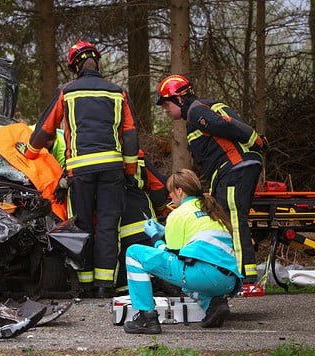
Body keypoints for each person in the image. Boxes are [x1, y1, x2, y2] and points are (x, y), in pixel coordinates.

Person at [18, 40, 139, 298]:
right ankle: (104, 285)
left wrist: (28, 153)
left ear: (75, 67)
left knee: (82, 224)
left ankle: (84, 284)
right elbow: (130, 136)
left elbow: (45, 130)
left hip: (80, 171)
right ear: (98, 63)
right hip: (112, 168)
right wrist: (129, 172)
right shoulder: (118, 93)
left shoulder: (67, 92)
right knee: (108, 225)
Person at [155, 74, 266, 283]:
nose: (166, 110)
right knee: (227, 219)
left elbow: (226, 125)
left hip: (235, 169)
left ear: (179, 99)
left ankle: (243, 275)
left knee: (233, 220)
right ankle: (238, 272)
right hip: (230, 171)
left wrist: (256, 140)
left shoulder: (196, 111)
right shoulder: (196, 115)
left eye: (167, 104)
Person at [123, 169, 242, 334]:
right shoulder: (210, 211)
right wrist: (165, 231)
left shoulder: (179, 214)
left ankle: (146, 318)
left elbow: (171, 255)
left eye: (171, 191)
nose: (170, 196)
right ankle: (214, 305)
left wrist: (155, 237)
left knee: (133, 253)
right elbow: (196, 245)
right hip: (229, 281)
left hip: (204, 276)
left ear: (180, 191)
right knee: (189, 277)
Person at [114, 149, 169, 294]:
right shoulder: (135, 155)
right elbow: (159, 186)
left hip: (115, 237)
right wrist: (160, 209)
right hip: (145, 227)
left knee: (126, 284)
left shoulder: (89, 159)